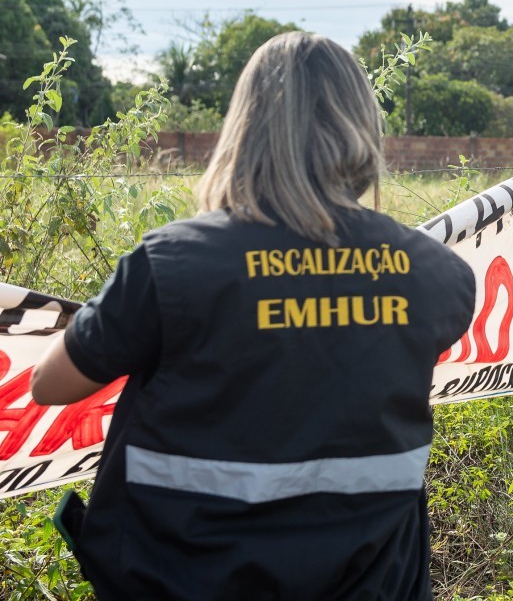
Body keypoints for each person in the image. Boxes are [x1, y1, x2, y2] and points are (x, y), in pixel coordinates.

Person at [31, 32, 476, 601]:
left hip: (179, 579)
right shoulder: (436, 275)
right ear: (362, 128)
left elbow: (50, 384)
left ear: (245, 129)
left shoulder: (172, 263)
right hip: (370, 584)